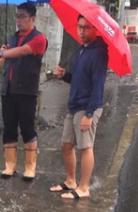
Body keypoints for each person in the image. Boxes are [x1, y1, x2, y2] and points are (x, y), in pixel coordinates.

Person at [0, 3, 48, 181]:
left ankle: (30, 167)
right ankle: (10, 166)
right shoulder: (12, 38)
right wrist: (4, 53)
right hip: (8, 90)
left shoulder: (39, 39)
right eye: (16, 16)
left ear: (32, 18)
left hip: (26, 91)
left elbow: (22, 52)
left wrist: (1, 54)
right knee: (9, 128)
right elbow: (6, 64)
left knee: (27, 128)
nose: (18, 20)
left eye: (22, 16)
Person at [51, 14, 109, 200]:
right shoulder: (82, 49)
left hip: (87, 107)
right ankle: (70, 181)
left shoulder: (99, 53)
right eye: (80, 27)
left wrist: (89, 114)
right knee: (66, 144)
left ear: (95, 29)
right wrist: (64, 75)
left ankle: (84, 188)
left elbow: (98, 86)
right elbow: (78, 79)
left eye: (86, 28)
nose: (82, 31)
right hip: (75, 105)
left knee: (85, 147)